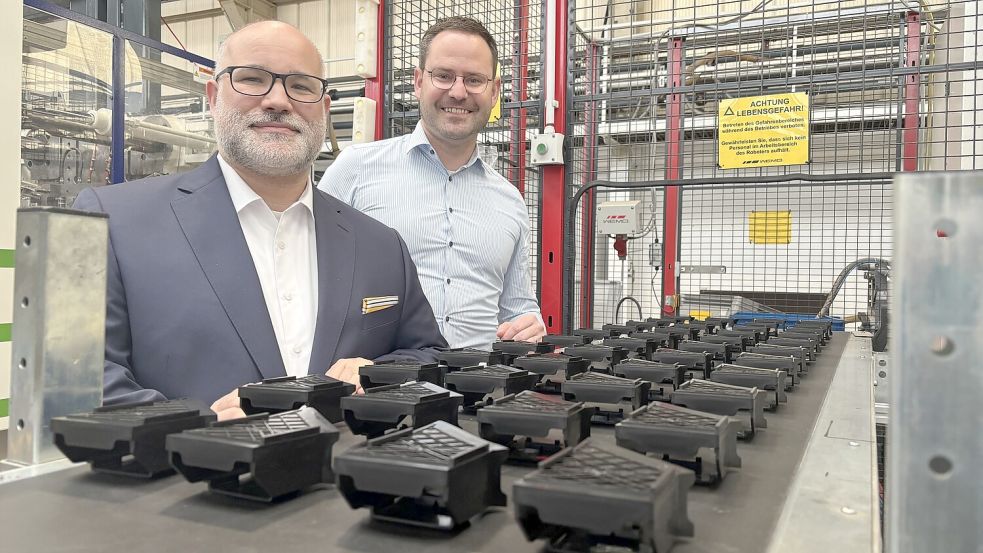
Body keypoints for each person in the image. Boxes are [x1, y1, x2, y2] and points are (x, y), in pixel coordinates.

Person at [74, 21, 446, 420]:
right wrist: (199, 428)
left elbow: (429, 356)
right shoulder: (113, 223)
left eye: (301, 86)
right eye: (252, 79)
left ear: (324, 107)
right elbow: (78, 377)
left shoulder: (380, 245)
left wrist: (381, 375)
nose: (277, 100)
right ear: (213, 97)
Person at [318, 16, 546, 350]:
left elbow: (517, 308)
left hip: (481, 396)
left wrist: (530, 325)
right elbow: (307, 278)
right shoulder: (355, 171)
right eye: (443, 75)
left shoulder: (509, 200)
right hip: (379, 393)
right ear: (419, 81)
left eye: (474, 80)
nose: (458, 91)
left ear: (494, 92)